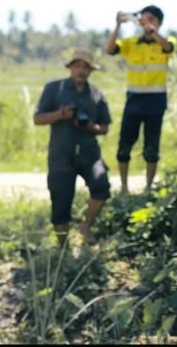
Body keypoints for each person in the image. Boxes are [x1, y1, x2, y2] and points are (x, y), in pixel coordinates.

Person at [33, 49, 112, 245]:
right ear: (70, 67)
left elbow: (104, 127)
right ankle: (63, 248)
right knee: (60, 204)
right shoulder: (54, 89)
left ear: (91, 71)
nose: (81, 70)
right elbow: (38, 118)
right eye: (77, 65)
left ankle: (86, 226)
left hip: (89, 154)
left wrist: (90, 127)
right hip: (61, 154)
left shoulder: (96, 94)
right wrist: (61, 114)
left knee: (102, 187)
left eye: (85, 67)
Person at [105, 6, 177, 193]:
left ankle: (148, 187)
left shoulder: (165, 42)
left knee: (151, 149)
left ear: (159, 23)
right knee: (124, 147)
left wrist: (152, 31)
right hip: (134, 100)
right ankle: (124, 187)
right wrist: (118, 26)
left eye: (151, 19)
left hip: (155, 102)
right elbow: (110, 49)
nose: (146, 22)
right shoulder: (131, 44)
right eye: (144, 18)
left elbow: (168, 48)